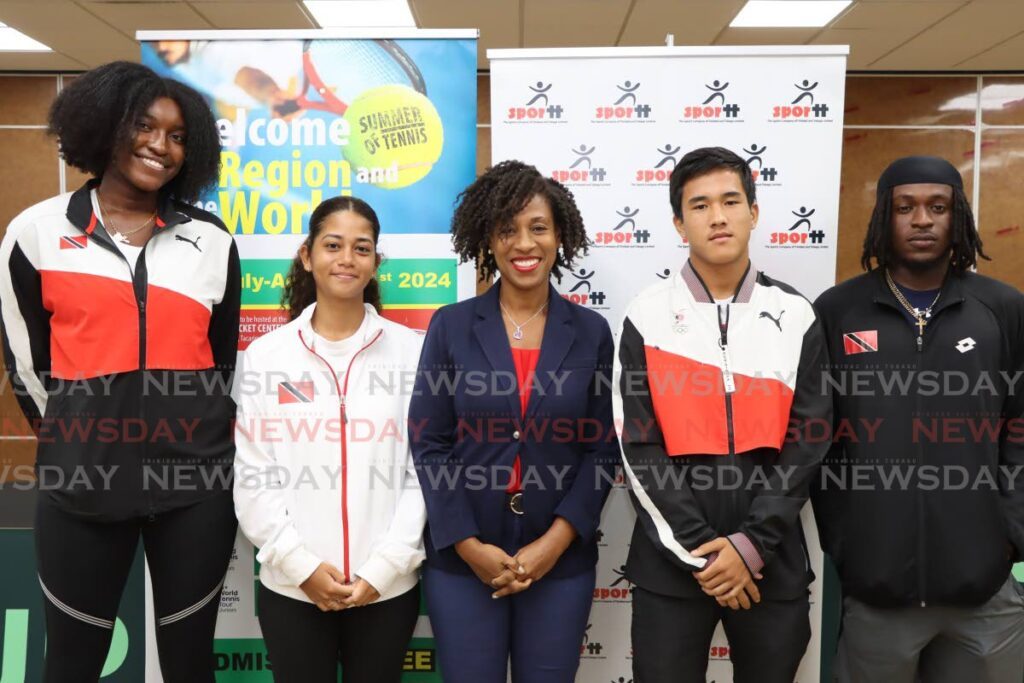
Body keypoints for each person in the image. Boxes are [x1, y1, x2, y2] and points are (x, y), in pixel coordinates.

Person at [0, 61, 239, 682]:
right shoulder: (35, 233)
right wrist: (74, 440)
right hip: (82, 486)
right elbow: (25, 364)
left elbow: (221, 364)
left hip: (195, 490)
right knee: (74, 667)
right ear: (106, 126)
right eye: (144, 125)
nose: (160, 145)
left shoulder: (212, 241)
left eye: (178, 134)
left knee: (190, 666)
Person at [616, 146, 831, 682]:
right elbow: (637, 446)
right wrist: (704, 553)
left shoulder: (796, 312)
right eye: (700, 205)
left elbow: (810, 438)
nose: (718, 216)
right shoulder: (646, 314)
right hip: (672, 568)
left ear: (754, 212)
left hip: (772, 563)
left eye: (731, 201)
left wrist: (751, 544)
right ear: (678, 223)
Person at [812, 155, 1024, 683]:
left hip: (985, 593)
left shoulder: (1001, 307)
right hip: (877, 591)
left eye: (938, 206)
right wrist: (848, 541)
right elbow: (818, 438)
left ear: (959, 218)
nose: (923, 220)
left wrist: (1011, 534)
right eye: (905, 207)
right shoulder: (839, 310)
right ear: (885, 215)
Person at [409, 160, 618, 682]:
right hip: (463, 561)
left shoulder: (591, 332)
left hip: (560, 562)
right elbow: (429, 442)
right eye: (508, 230)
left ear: (559, 236)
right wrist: (467, 545)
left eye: (538, 228)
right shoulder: (451, 326)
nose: (524, 243)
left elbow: (602, 449)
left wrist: (556, 541)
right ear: (489, 240)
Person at [233, 196, 426, 683]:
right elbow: (254, 476)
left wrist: (384, 569)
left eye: (362, 248)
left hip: (387, 588)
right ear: (306, 255)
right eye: (333, 245)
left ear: (376, 262)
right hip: (293, 587)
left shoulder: (413, 352)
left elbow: (423, 472)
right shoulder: (265, 356)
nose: (347, 259)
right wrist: (299, 566)